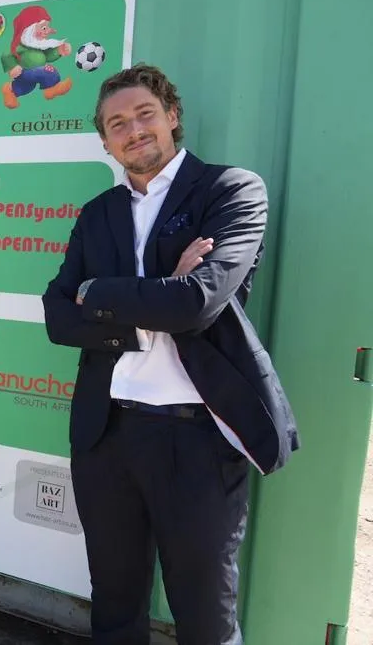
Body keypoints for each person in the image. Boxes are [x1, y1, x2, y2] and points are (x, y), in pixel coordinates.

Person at [42, 64, 299, 644]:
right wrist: (153, 304)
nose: (133, 130)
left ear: (172, 116)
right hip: (107, 435)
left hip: (198, 439)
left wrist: (97, 294)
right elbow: (58, 316)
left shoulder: (230, 190)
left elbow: (196, 303)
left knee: (205, 617)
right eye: (117, 124)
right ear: (104, 141)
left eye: (145, 114)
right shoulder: (98, 213)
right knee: (115, 607)